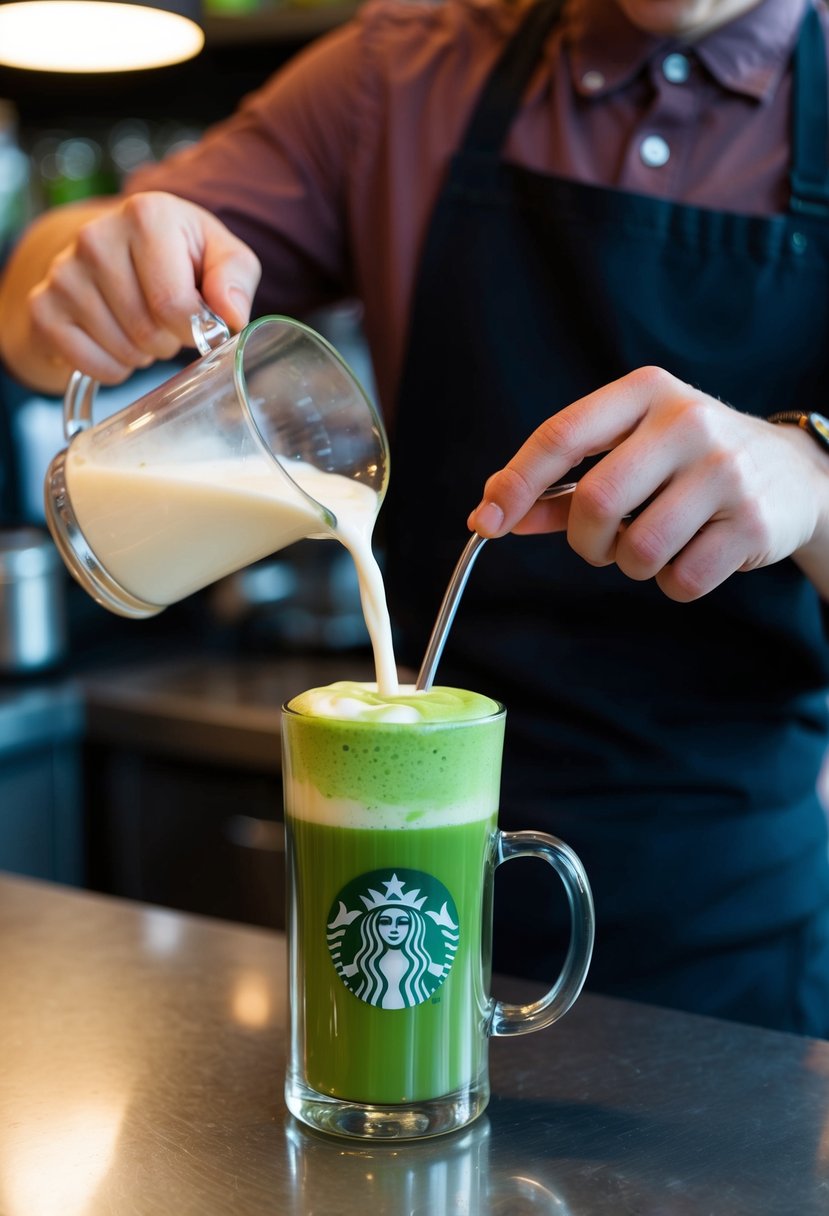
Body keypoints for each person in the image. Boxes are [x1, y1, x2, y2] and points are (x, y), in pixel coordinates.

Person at [2, 0, 829, 1035]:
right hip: (402, 888)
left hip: (733, 942)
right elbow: (43, 296)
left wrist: (814, 482)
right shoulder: (405, 67)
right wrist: (89, 264)